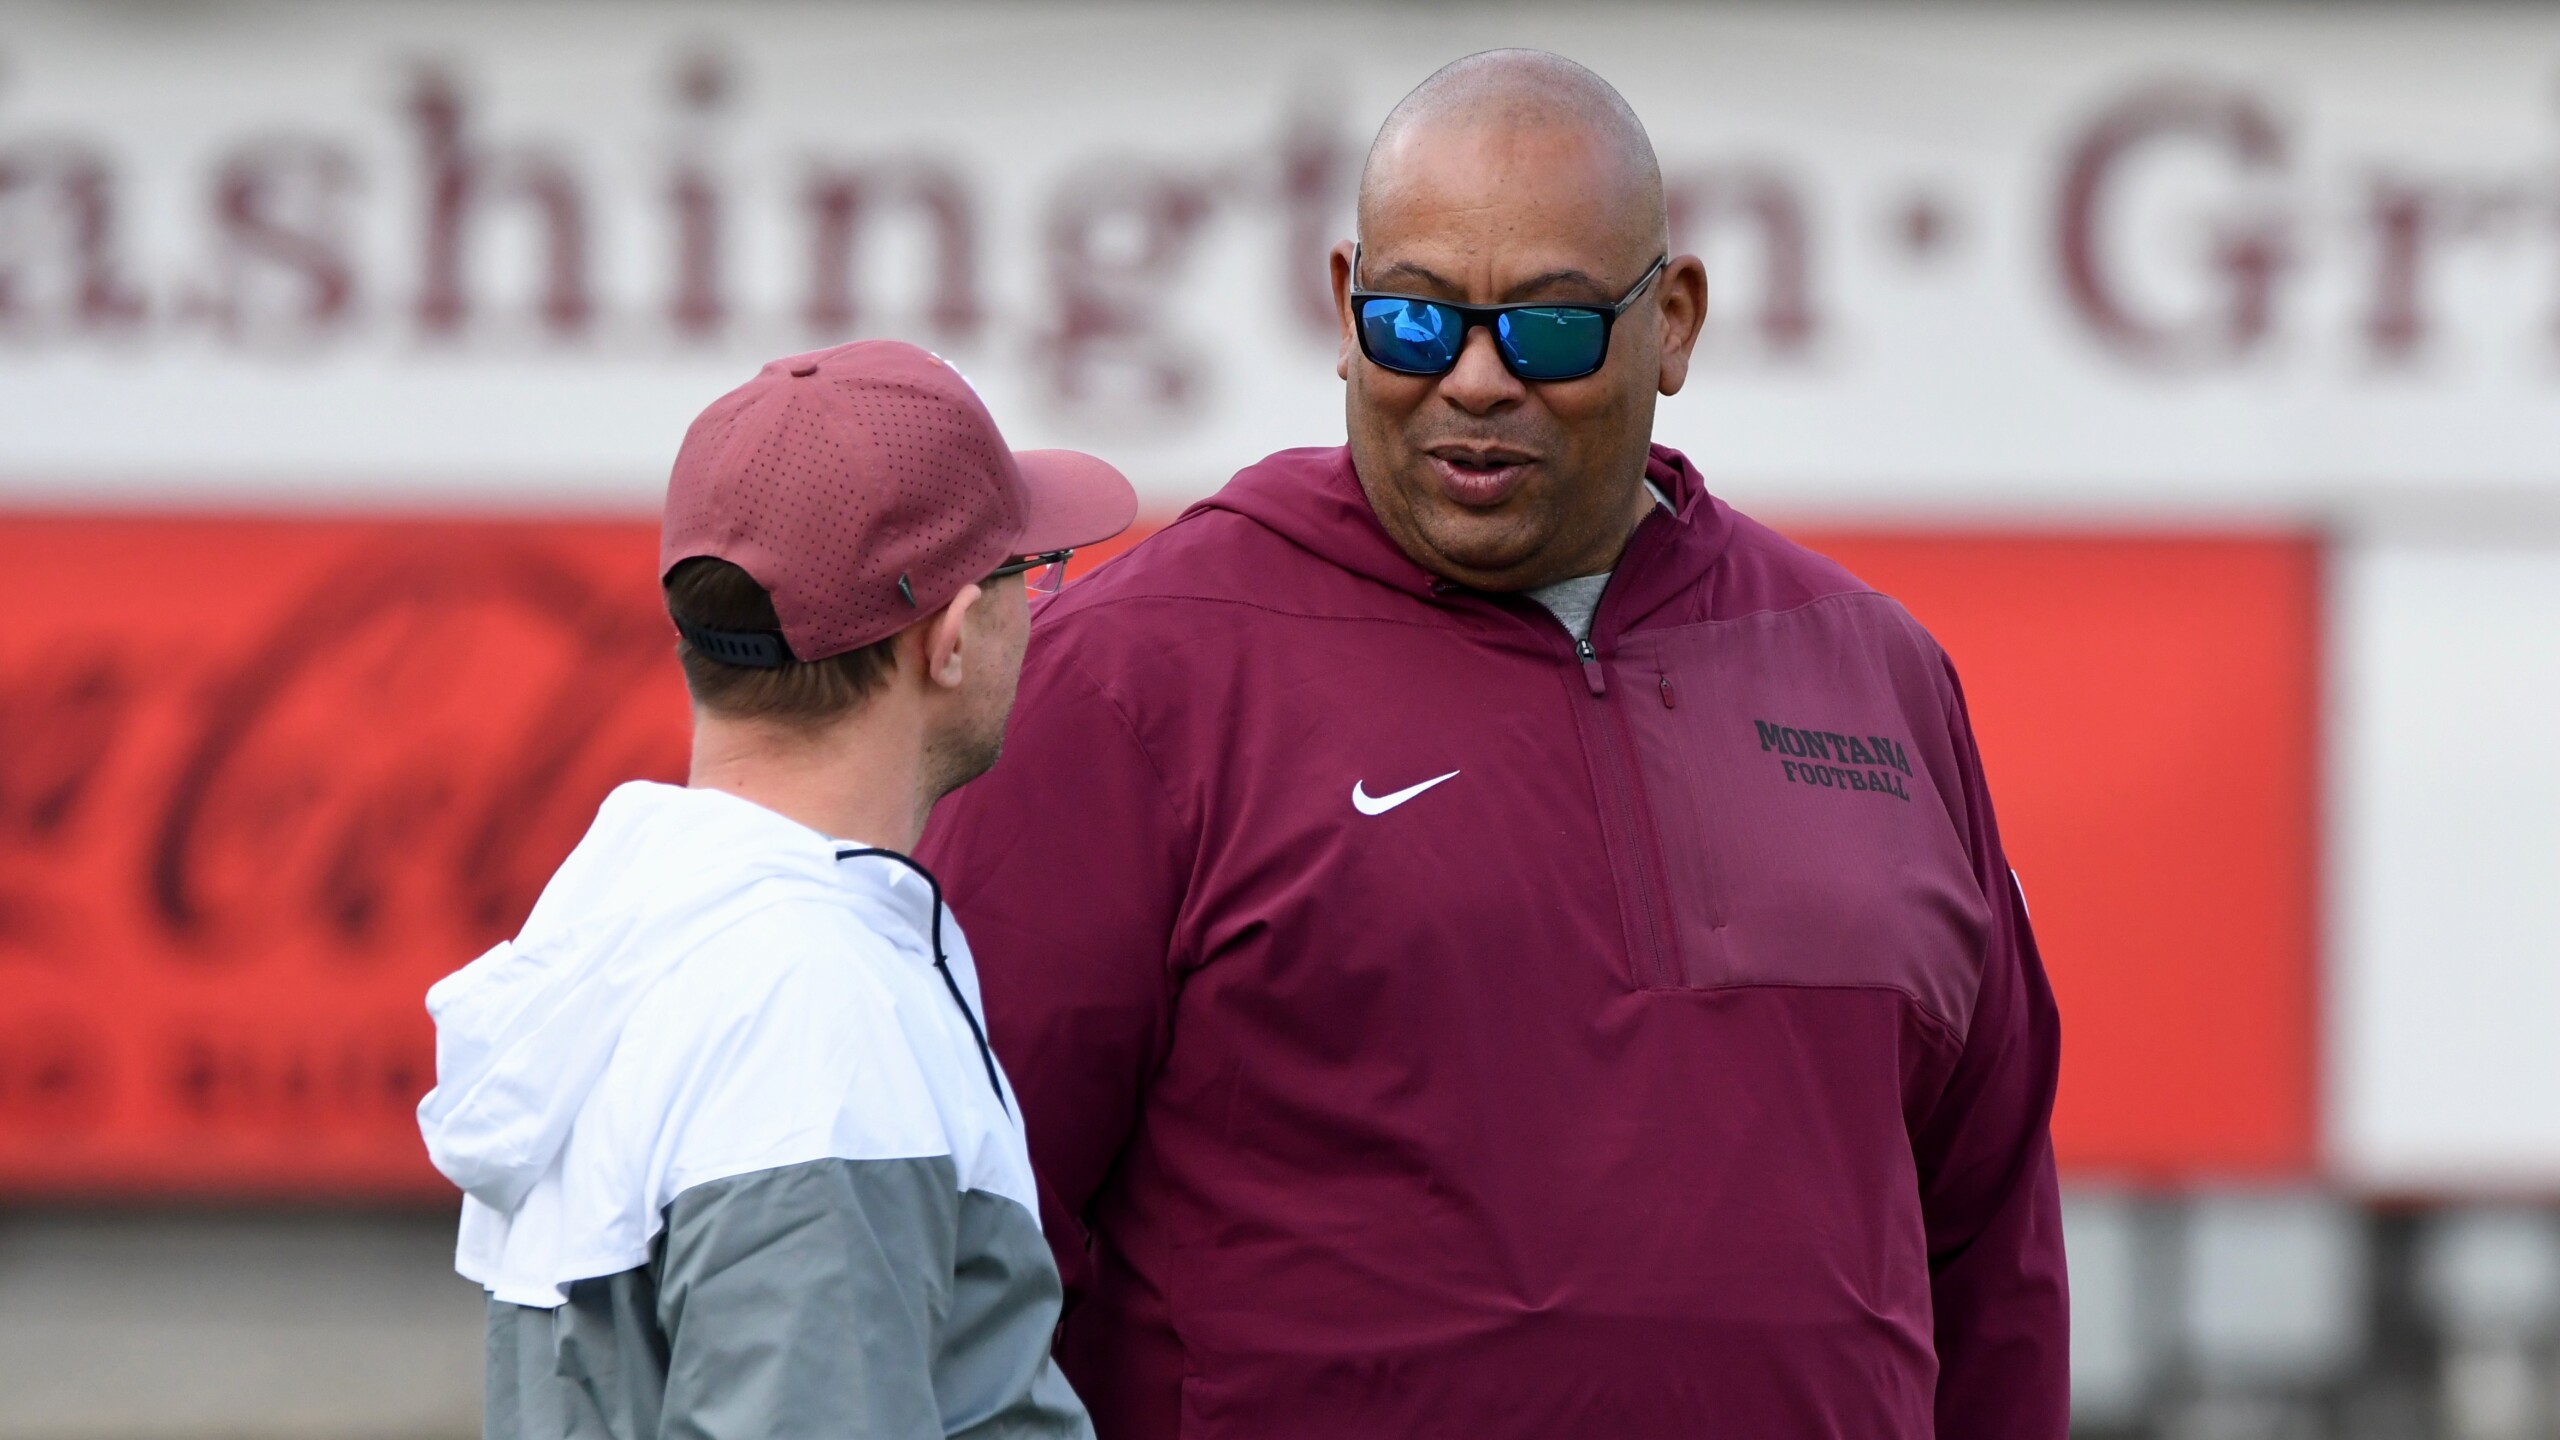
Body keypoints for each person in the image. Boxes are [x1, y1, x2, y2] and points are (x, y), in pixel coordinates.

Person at [919, 50, 2067, 1439]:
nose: (1473, 381)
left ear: (1679, 323)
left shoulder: (1872, 676)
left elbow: (1990, 1249)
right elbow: (965, 1248)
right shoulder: (1132, 677)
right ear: (1345, 309)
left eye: (1550, 332)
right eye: (1415, 324)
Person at [416, 339, 1136, 1440]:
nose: (1035, 608)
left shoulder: (635, 926)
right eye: (1023, 574)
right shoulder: (806, 1008)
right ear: (949, 637)